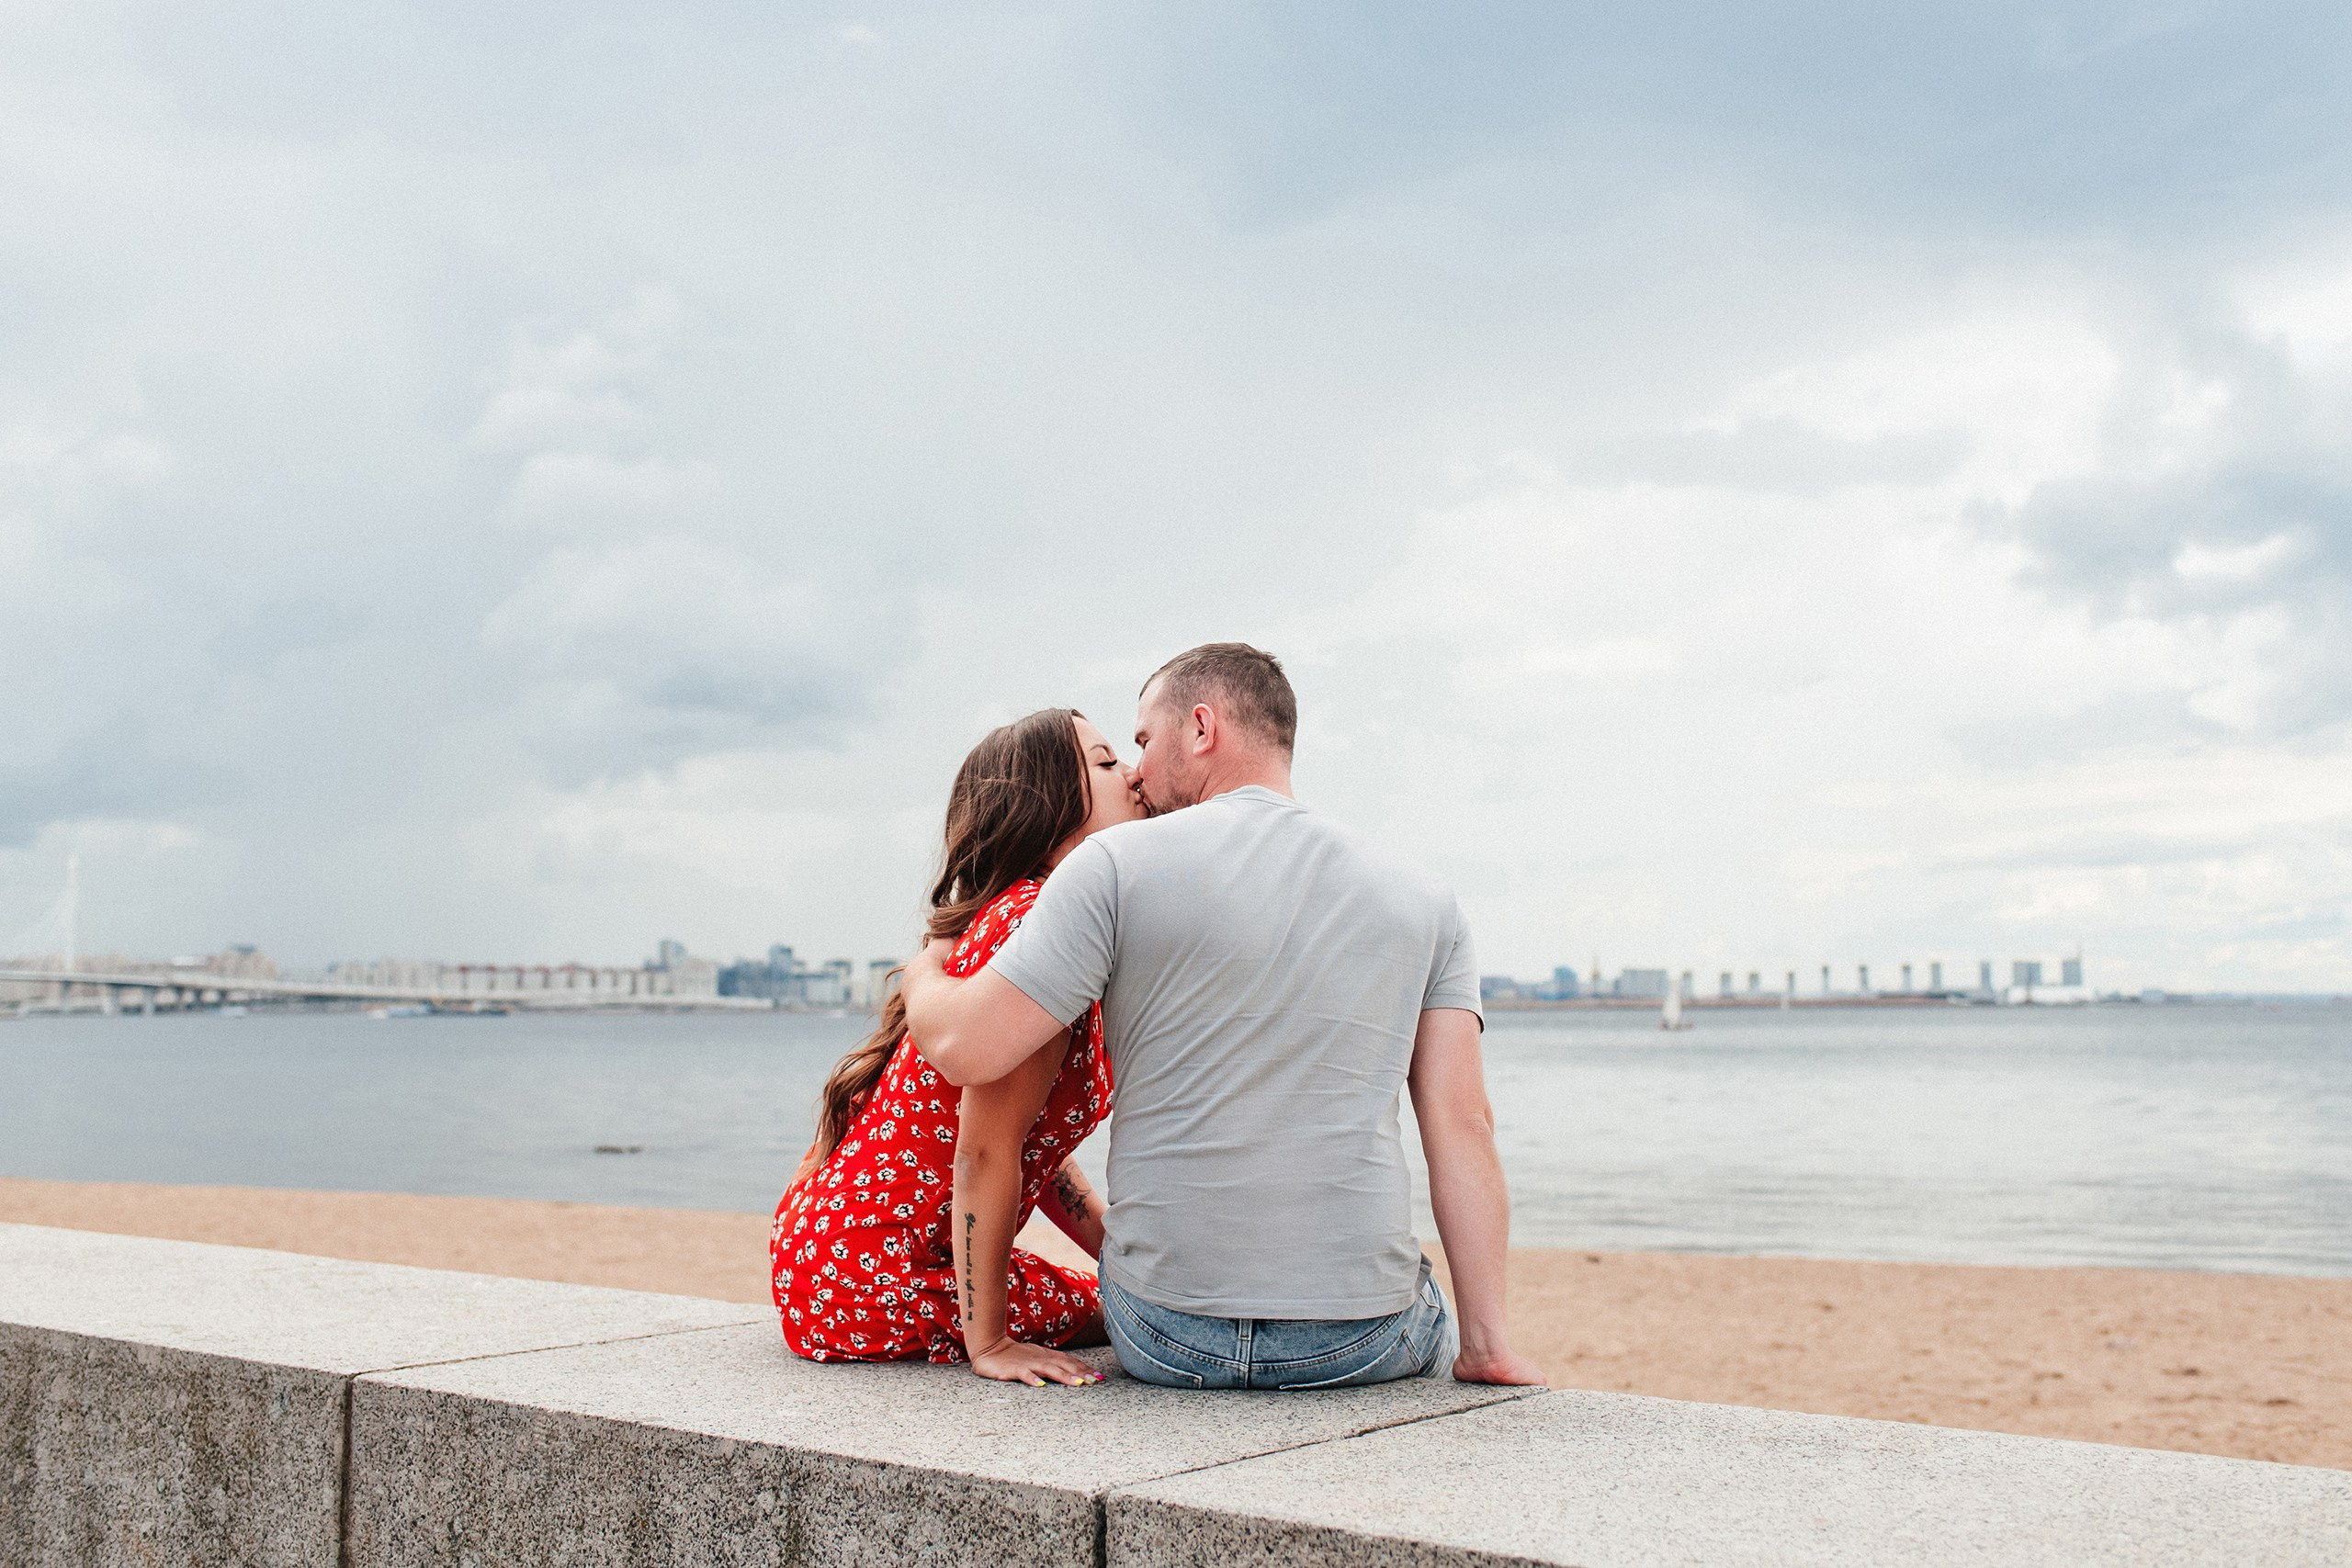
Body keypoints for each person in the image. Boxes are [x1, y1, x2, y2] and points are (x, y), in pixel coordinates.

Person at [899, 642, 1544, 1390]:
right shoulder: (1428, 898)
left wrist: (922, 969)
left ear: (1201, 728)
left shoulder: (1109, 867)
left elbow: (966, 1049)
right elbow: (1463, 1127)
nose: (1135, 771)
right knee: (1412, 1288)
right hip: (1359, 1338)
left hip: (1164, 1333)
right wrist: (1485, 1346)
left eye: (1142, 741)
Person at [770, 707, 1140, 1386]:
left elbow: (1033, 1150)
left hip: (836, 1252)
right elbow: (982, 1150)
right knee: (1132, 1316)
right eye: (1109, 762)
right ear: (1051, 805)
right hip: (868, 1274)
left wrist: (1121, 1251)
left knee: (1130, 1295)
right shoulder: (1033, 923)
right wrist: (991, 1342)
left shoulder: (1039, 919)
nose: (1136, 778)